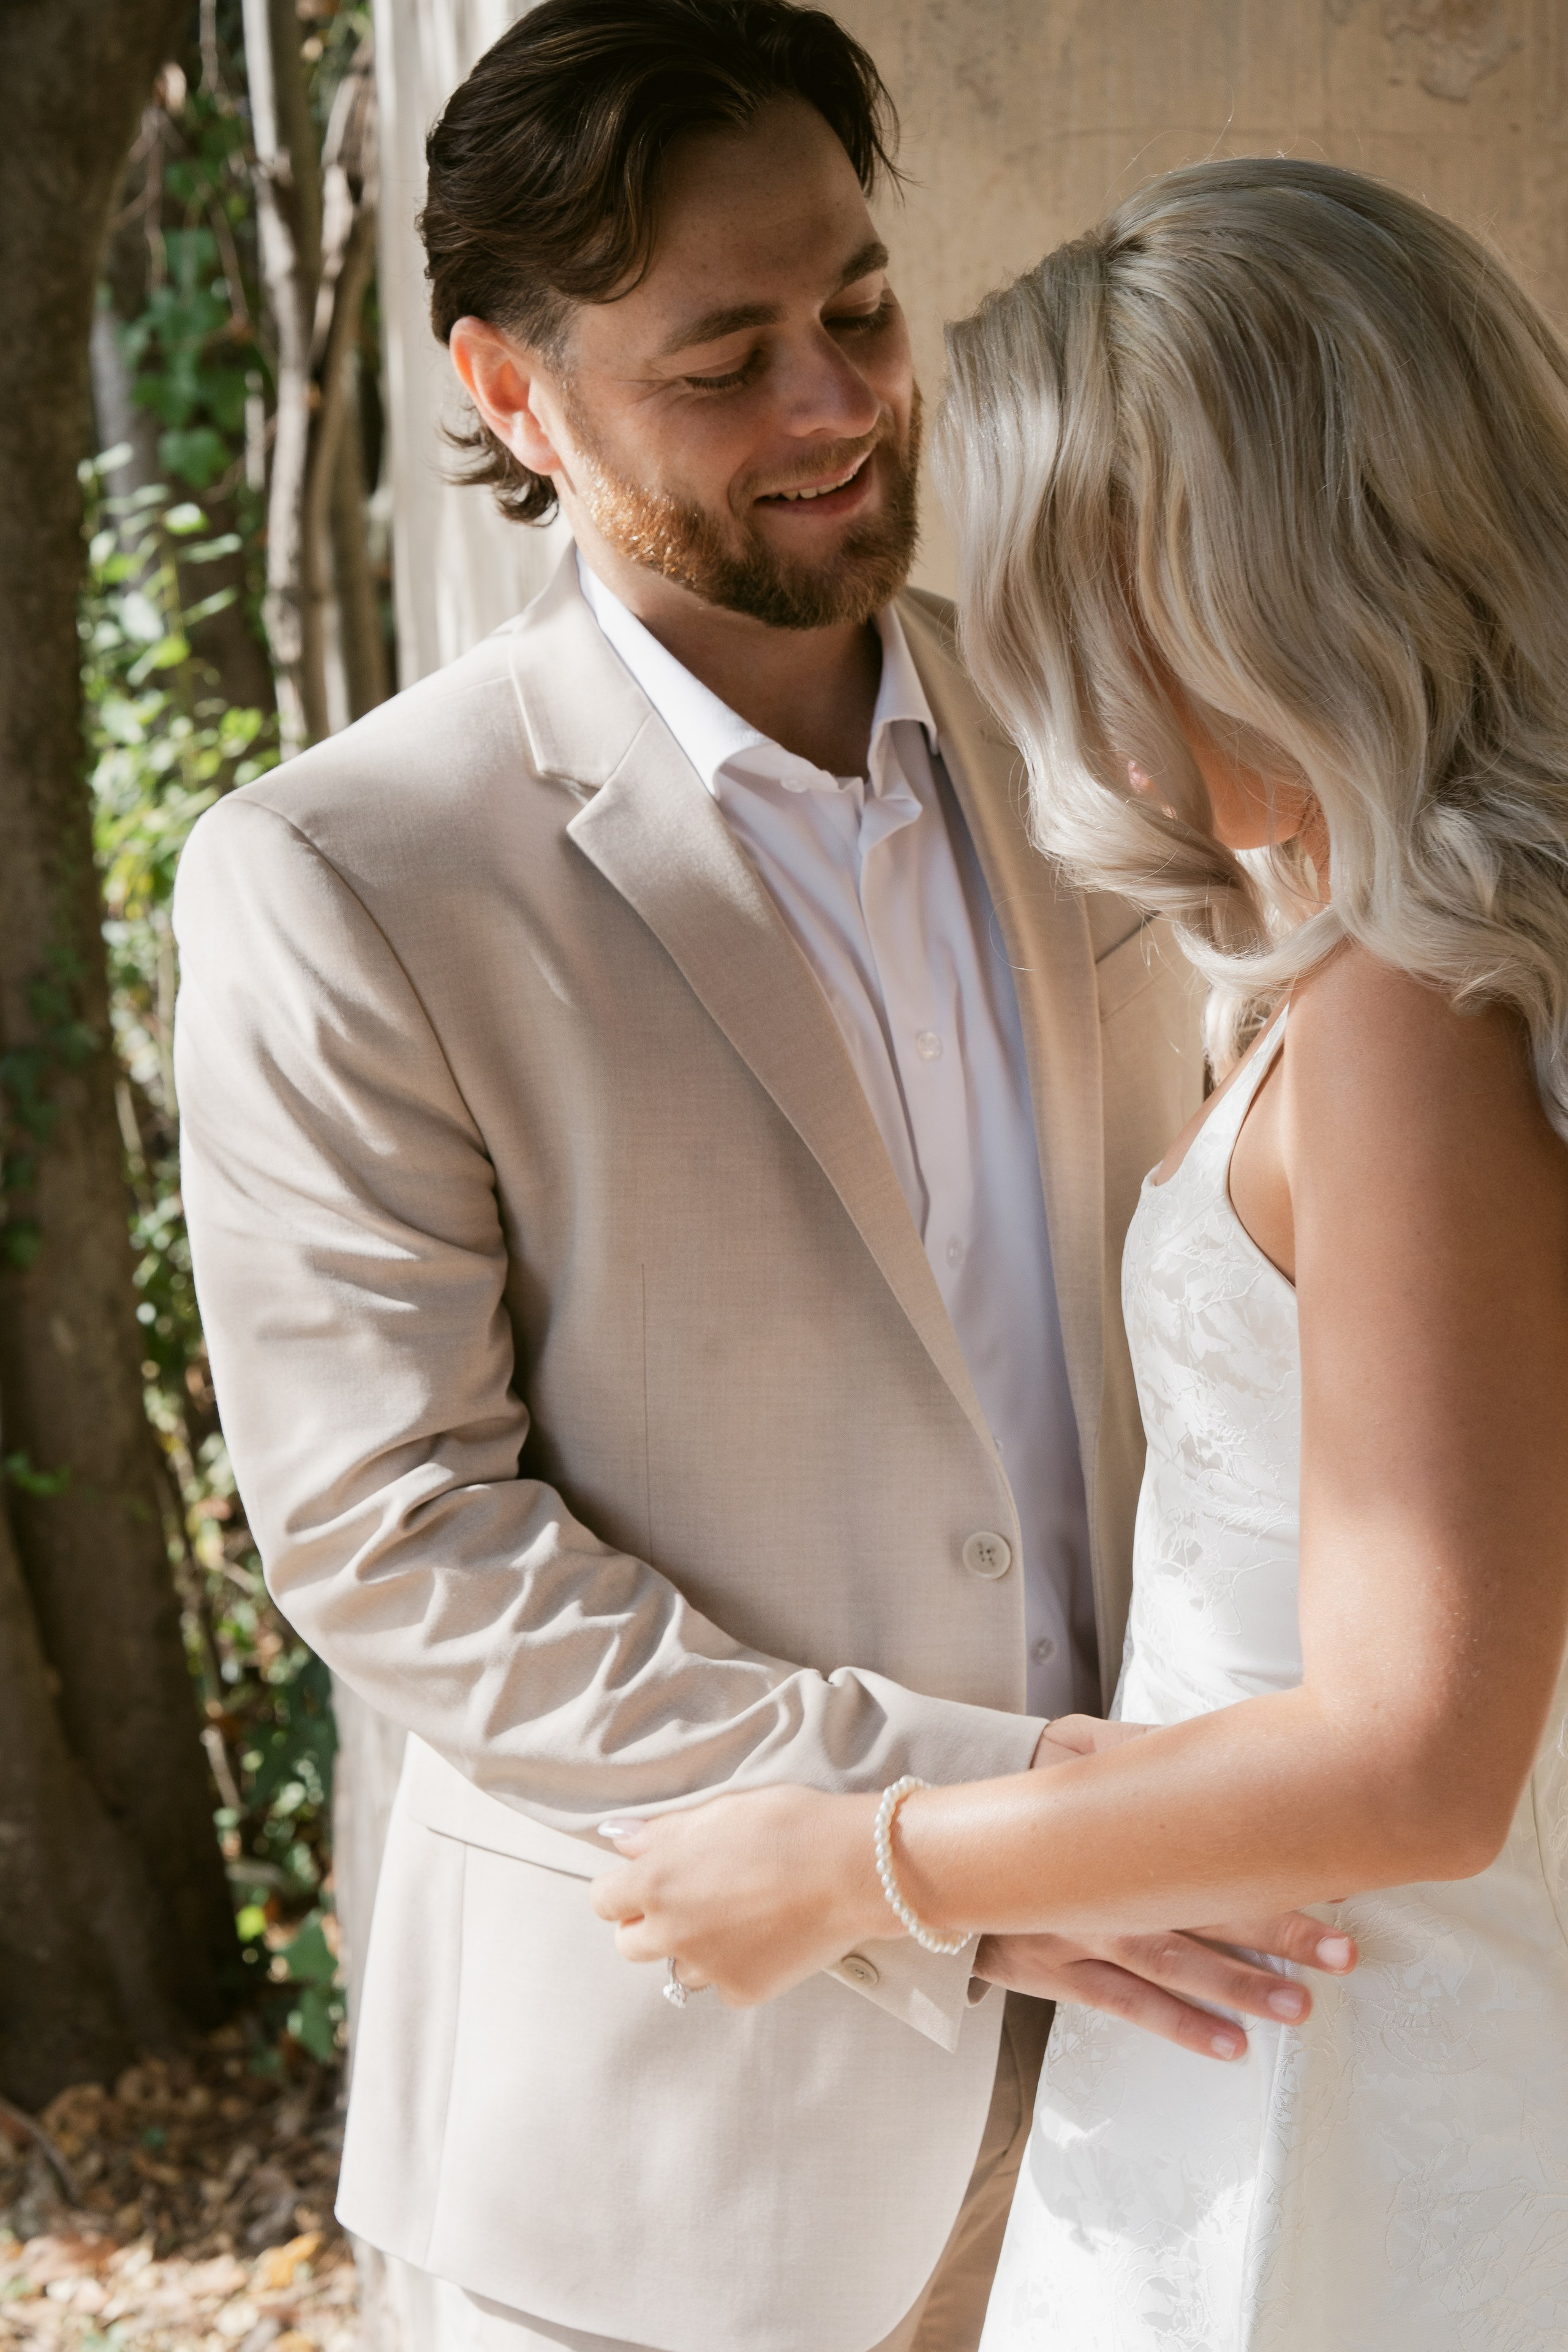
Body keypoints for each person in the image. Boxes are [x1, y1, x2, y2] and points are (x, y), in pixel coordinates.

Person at [174, 9, 1348, 2347]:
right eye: (723, 363)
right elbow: (397, 1533)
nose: (836, 408)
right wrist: (966, 1838)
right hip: (671, 2143)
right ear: (513, 393)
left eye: (860, 311)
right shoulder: (349, 874)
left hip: (1182, 2071)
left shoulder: (1104, 729)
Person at [589, 156, 1568, 2348]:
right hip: (1278, 1976)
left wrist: (862, 1862)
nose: (1024, 652)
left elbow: (1419, 1746)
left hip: (1345, 2050)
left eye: (1055, 577)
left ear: (1230, 582)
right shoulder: (1414, 963)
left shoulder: (1411, 1007)